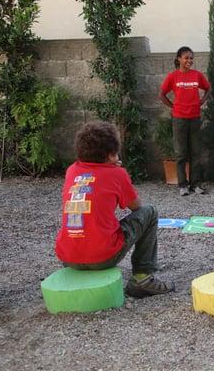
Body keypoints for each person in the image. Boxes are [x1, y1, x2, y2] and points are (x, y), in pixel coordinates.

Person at [54, 121, 175, 298]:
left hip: (67, 257)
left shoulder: (72, 171)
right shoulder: (117, 173)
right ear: (111, 155)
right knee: (150, 212)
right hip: (103, 257)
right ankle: (142, 278)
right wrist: (118, 176)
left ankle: (85, 258)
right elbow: (137, 207)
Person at [160, 46, 211, 196]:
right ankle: (183, 185)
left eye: (191, 58)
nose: (189, 60)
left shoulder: (197, 75)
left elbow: (208, 88)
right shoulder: (173, 76)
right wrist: (173, 107)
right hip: (179, 119)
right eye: (186, 58)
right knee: (181, 153)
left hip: (195, 118)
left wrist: (202, 101)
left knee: (196, 153)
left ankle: (196, 184)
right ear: (179, 59)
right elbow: (162, 94)